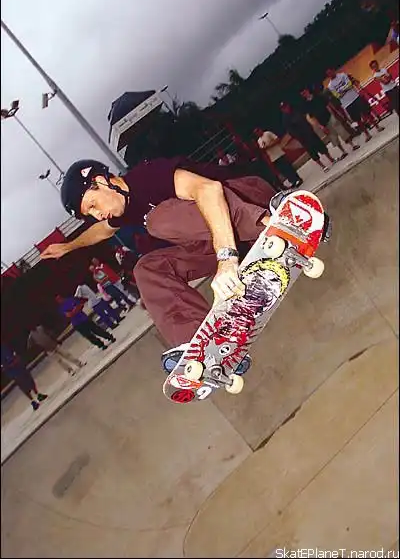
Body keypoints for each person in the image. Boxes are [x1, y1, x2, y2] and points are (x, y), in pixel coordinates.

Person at [40, 157, 282, 375]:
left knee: (157, 221)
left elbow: (208, 190)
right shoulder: (122, 211)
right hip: (230, 240)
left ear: (102, 182)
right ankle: (205, 344)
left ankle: (276, 226)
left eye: (93, 205)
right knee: (147, 268)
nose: (98, 215)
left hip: (251, 201)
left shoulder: (147, 176)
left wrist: (227, 257)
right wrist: (68, 246)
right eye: (90, 214)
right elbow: (101, 231)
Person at [299, 87, 360, 159]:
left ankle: (352, 145)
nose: (304, 95)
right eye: (302, 94)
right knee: (333, 137)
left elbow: (327, 105)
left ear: (307, 90)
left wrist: (333, 114)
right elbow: (313, 117)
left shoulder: (317, 96)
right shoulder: (306, 104)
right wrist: (320, 126)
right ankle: (343, 151)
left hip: (329, 116)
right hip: (322, 122)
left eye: (304, 93)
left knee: (341, 130)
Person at [326, 68, 384, 143]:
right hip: (347, 104)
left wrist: (341, 90)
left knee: (366, 114)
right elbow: (337, 95)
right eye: (328, 74)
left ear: (333, 70)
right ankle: (367, 134)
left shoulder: (342, 75)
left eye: (331, 72)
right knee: (358, 120)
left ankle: (377, 127)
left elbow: (350, 84)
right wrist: (345, 88)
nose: (330, 74)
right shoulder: (330, 86)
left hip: (355, 97)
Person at [279, 101, 336, 172]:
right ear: (282, 109)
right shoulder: (285, 119)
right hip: (303, 138)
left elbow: (304, 117)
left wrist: (310, 127)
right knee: (312, 152)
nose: (286, 108)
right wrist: (299, 136)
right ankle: (323, 166)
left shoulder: (295, 110)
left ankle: (331, 159)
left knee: (321, 146)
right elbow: (291, 131)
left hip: (310, 132)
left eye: (286, 106)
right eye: (283, 108)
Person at [1, 344, 48, 411]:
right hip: (13, 372)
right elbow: (3, 368)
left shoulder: (4, 347)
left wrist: (17, 358)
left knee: (29, 378)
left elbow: (13, 352)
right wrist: (11, 364)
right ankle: (33, 401)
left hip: (19, 366)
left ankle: (38, 394)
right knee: (23, 385)